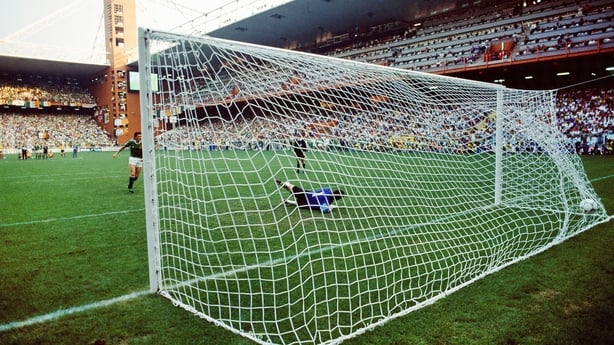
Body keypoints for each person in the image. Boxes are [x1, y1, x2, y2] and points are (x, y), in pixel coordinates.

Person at [276, 179, 345, 213]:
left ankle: (287, 185)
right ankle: (287, 198)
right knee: (301, 201)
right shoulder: (326, 203)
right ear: (338, 199)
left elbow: (318, 191)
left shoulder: (327, 190)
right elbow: (323, 210)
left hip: (307, 194)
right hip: (304, 203)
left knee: (295, 190)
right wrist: (330, 208)